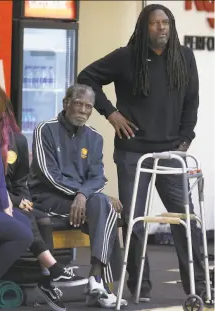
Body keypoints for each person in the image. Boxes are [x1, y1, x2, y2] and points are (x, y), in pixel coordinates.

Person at [77, 3, 209, 303]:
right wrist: (110, 113)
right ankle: (141, 287)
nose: (161, 28)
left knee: (185, 221)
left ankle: (199, 286)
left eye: (165, 22)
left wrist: (186, 139)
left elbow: (192, 102)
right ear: (143, 26)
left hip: (171, 154)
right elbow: (87, 76)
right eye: (154, 23)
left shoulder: (184, 57)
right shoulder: (127, 56)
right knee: (134, 221)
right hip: (133, 153)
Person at [28, 84, 128, 309]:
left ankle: (95, 277)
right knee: (104, 205)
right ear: (66, 104)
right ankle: (101, 284)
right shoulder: (45, 129)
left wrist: (83, 195)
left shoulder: (95, 137)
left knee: (105, 204)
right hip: (47, 198)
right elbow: (48, 175)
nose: (83, 110)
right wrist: (81, 194)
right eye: (78, 104)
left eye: (88, 106)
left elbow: (98, 178)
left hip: (79, 202)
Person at [0, 79, 87, 311]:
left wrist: (22, 199)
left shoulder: (18, 141)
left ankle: (48, 276)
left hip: (8, 199)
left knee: (37, 216)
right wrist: (12, 201)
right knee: (25, 222)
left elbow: (20, 181)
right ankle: (51, 271)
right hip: (1, 202)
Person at [0, 110, 33, 286]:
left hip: (0, 201)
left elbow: (15, 181)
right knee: (22, 234)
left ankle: (45, 273)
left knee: (25, 222)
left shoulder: (16, 140)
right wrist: (6, 205)